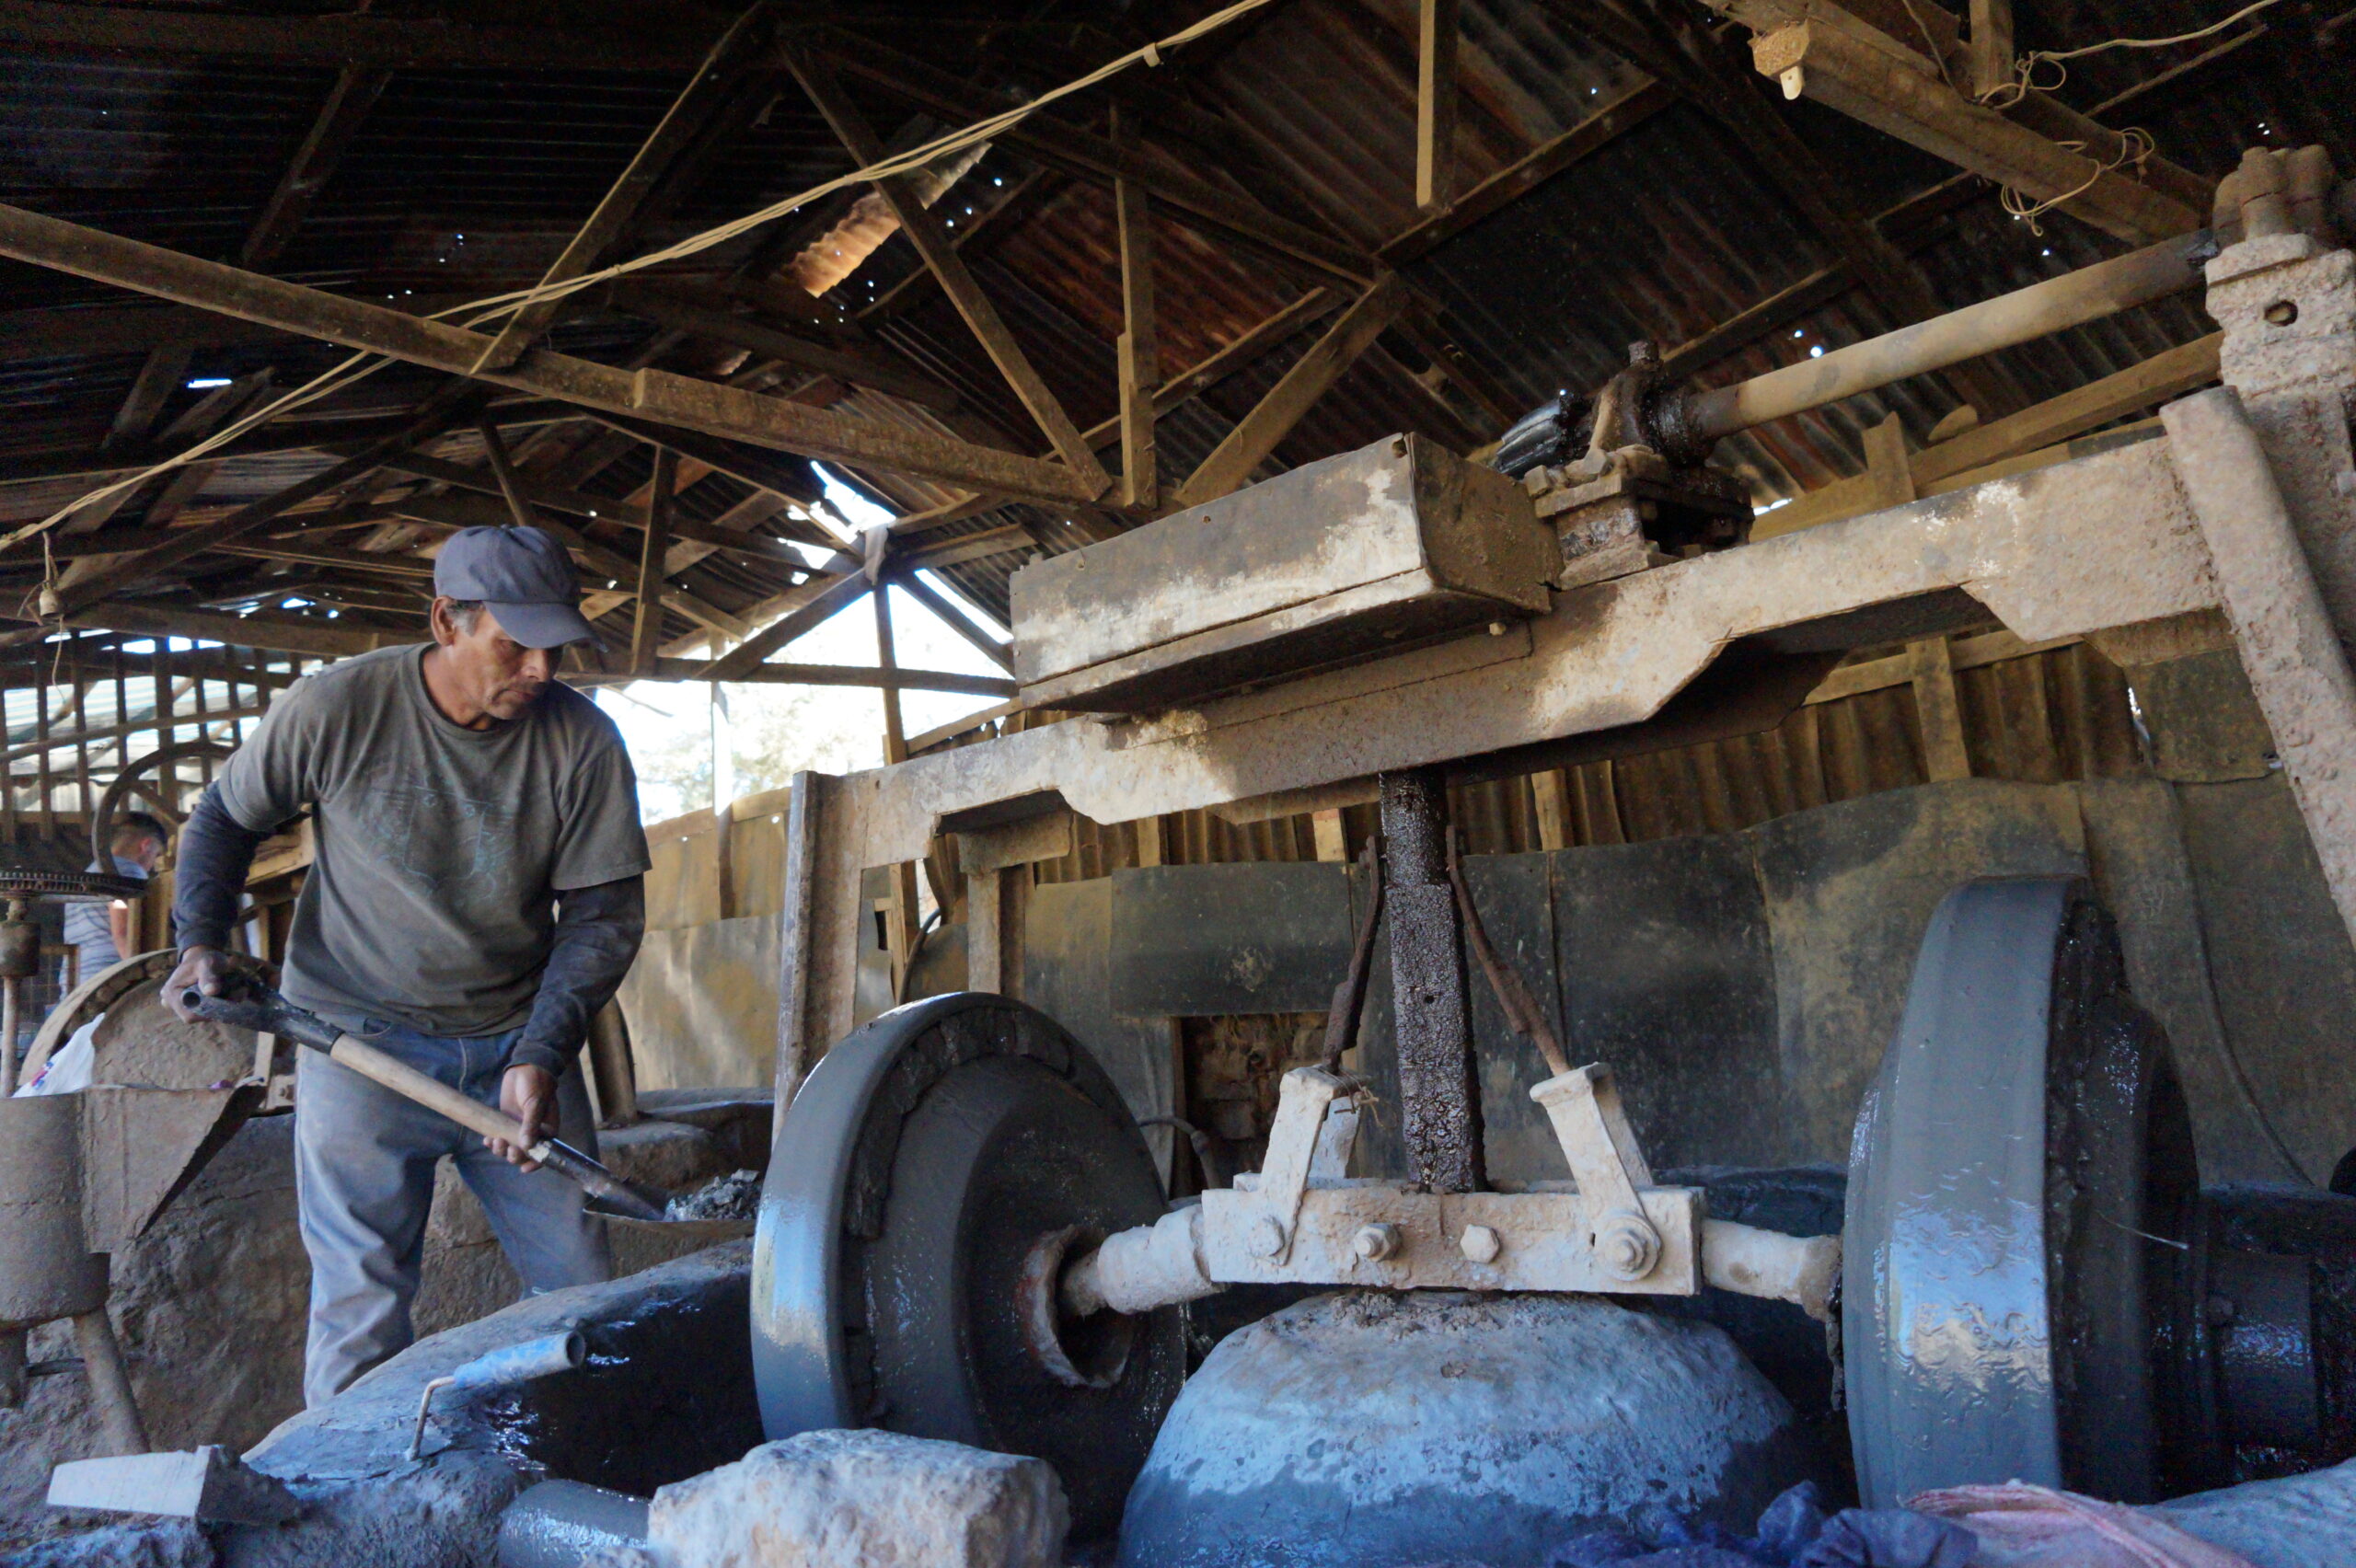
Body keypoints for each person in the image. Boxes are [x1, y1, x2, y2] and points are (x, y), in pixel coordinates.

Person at [166, 525, 652, 1405]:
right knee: (361, 1308)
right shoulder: (339, 709)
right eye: (517, 644)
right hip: (358, 1040)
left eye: (556, 647)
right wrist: (200, 937)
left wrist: (542, 1053)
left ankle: (592, 1482)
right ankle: (352, 1506)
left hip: (514, 1045)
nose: (543, 670)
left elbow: (603, 918)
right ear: (447, 622)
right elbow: (223, 822)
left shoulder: (583, 744)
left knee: (584, 1293)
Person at [64, 811, 167, 986]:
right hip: (110, 979)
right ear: (146, 845)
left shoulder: (88, 874)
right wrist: (144, 978)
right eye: (156, 855)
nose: (152, 866)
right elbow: (124, 931)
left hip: (75, 980)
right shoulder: (128, 872)